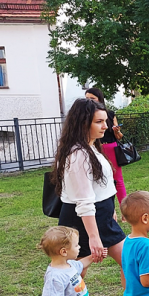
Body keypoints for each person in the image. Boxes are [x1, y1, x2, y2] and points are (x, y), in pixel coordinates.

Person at [53, 97, 126, 271]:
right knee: (73, 276)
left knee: (130, 264)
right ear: (83, 123)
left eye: (105, 121)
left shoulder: (91, 147)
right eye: (99, 122)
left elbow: (101, 185)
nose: (105, 126)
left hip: (102, 215)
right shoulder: (78, 154)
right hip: (82, 220)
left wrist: (111, 210)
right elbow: (84, 200)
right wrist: (94, 237)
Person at [85, 88, 126, 206]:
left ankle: (124, 209)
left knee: (117, 178)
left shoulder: (110, 114)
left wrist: (116, 131)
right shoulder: (85, 115)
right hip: (94, 148)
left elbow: (119, 137)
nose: (89, 101)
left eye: (92, 98)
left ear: (99, 99)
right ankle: (108, 208)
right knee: (99, 179)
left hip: (110, 148)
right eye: (87, 98)